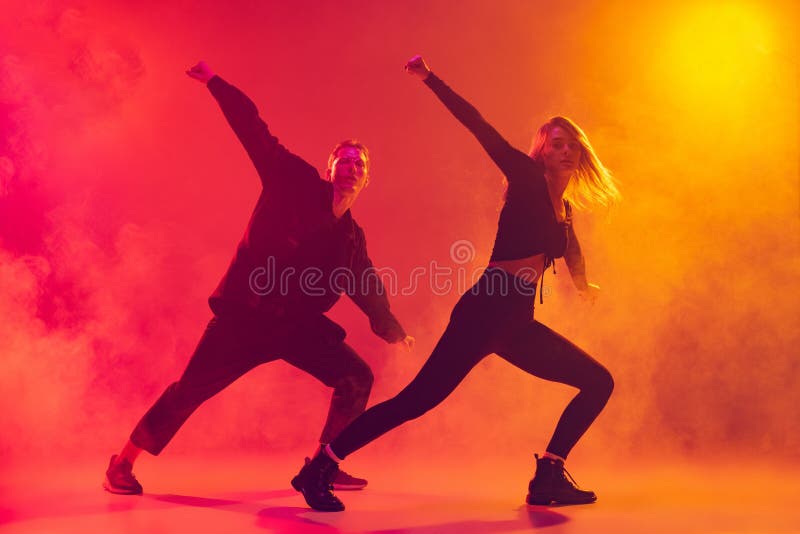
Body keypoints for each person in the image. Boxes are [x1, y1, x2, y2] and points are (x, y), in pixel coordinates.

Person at [292, 55, 620, 511]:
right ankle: (320, 468)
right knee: (416, 401)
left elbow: (571, 246)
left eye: (571, 145)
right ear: (542, 151)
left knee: (597, 381)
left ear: (580, 153)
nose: (564, 151)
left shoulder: (563, 210)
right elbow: (479, 125)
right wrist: (431, 80)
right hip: (487, 308)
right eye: (555, 144)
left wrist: (584, 286)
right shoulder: (526, 178)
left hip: (516, 322)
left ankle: (548, 474)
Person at [103, 61, 415, 495]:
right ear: (329, 168)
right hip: (245, 318)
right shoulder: (291, 179)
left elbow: (366, 283)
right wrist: (216, 83)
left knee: (355, 376)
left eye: (358, 163)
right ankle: (121, 464)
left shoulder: (351, 237)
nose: (350, 166)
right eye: (342, 160)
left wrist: (391, 326)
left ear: (366, 178)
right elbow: (254, 130)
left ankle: (324, 466)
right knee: (190, 390)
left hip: (295, 328)